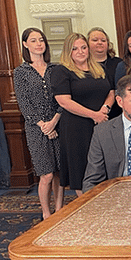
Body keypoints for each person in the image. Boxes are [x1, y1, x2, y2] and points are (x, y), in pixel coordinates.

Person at [51, 33, 113, 196]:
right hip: (77, 128)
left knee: (103, 165)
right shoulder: (61, 71)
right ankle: (87, 207)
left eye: (83, 47)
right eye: (75, 49)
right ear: (68, 51)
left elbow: (111, 92)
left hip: (101, 124)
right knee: (81, 169)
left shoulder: (99, 68)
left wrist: (104, 110)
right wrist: (94, 115)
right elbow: (64, 101)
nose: (80, 52)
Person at [12, 28, 65, 218]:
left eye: (41, 40)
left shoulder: (55, 69)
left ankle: (59, 210)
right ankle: (46, 213)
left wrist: (54, 121)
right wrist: (44, 125)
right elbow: (24, 104)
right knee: (46, 174)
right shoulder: (21, 72)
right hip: (36, 129)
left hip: (58, 124)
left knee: (59, 172)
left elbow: (63, 98)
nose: (39, 44)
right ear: (25, 44)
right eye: (33, 40)